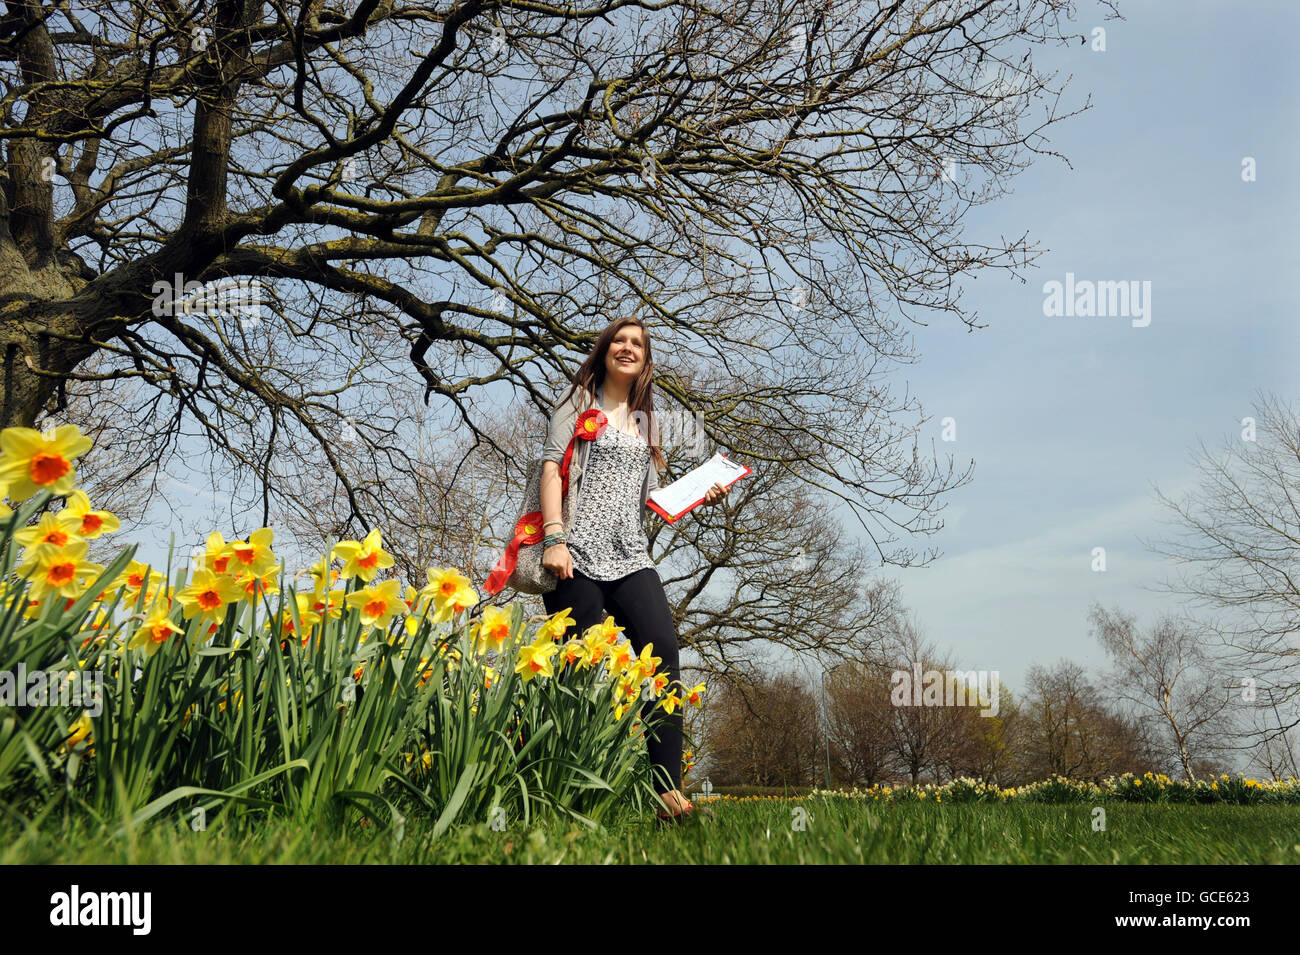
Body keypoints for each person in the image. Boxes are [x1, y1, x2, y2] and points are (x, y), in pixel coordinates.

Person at [538, 316, 728, 823]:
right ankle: (564, 788)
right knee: (579, 666)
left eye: (637, 344)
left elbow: (650, 500)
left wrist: (699, 494)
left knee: (662, 651)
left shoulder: (647, 421)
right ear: (604, 351)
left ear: (645, 358)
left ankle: (667, 793)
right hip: (575, 552)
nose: (627, 348)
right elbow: (553, 467)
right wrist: (554, 538)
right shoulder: (575, 404)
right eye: (619, 341)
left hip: (630, 556)